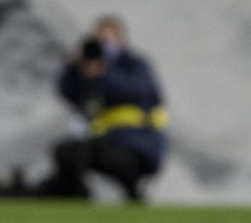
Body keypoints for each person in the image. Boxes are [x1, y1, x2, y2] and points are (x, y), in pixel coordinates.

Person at [39, 16, 166, 201]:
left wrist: (104, 72)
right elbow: (67, 92)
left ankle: (133, 194)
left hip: (136, 143)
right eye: (99, 41)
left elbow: (133, 90)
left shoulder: (135, 65)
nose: (103, 46)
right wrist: (74, 66)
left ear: (121, 40)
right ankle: (76, 194)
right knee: (66, 153)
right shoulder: (88, 70)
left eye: (107, 40)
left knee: (115, 159)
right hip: (101, 140)